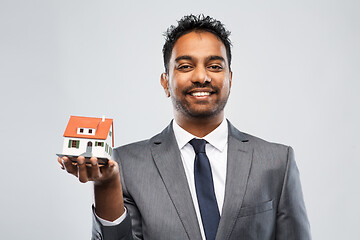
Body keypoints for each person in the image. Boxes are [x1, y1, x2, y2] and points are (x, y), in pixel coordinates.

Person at [58, 14, 311, 240]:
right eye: (186, 66)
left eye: (214, 66)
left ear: (230, 79)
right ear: (165, 82)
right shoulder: (125, 164)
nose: (201, 77)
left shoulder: (277, 161)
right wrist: (106, 186)